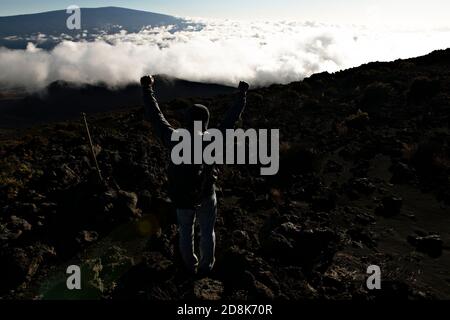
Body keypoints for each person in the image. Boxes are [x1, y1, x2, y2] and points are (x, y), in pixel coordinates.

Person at [140, 75, 249, 275]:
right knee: (207, 232)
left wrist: (147, 88)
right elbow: (230, 119)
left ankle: (190, 267)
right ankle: (206, 268)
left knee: (186, 232)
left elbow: (155, 115)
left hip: (181, 196)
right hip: (206, 194)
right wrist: (241, 95)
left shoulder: (174, 138)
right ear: (205, 123)